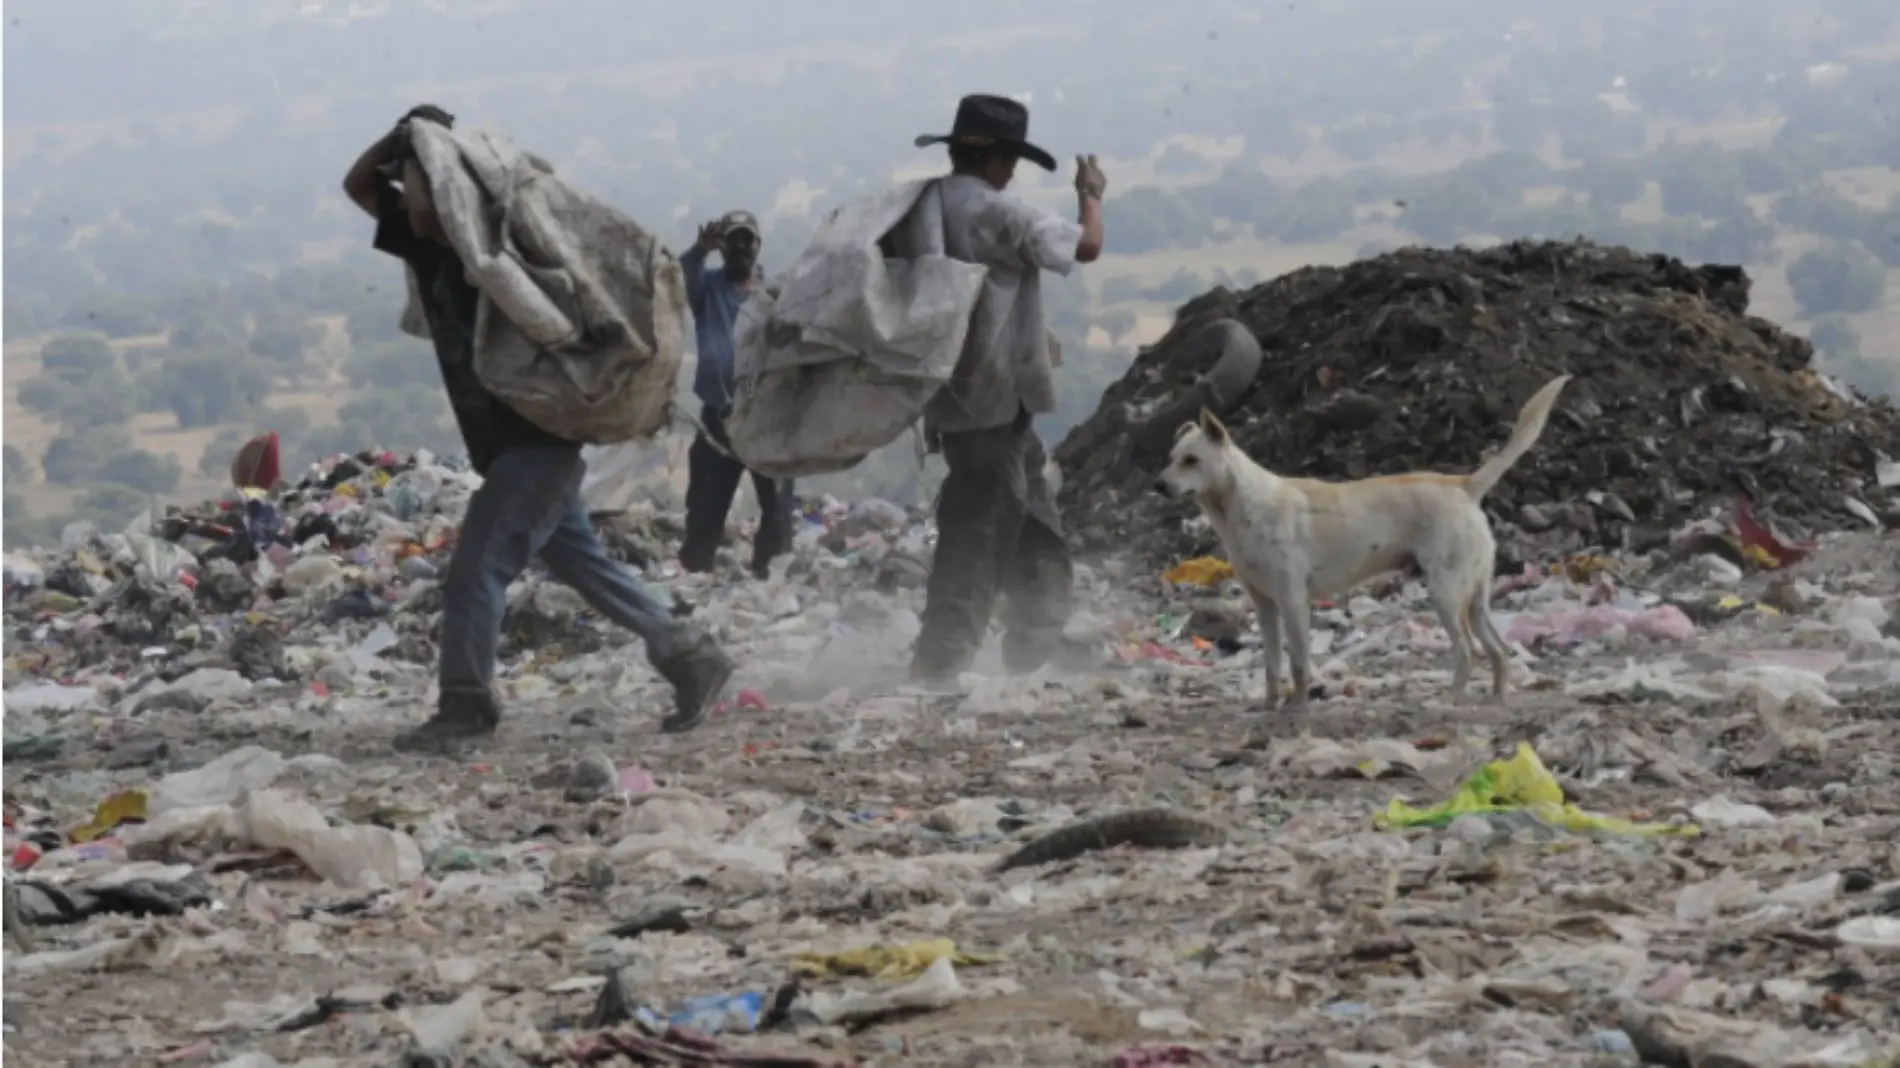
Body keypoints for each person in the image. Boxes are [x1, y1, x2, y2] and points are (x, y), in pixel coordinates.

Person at [341, 105, 736, 751]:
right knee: (586, 566)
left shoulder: (498, 263)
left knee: (475, 572)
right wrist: (404, 135)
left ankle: (466, 706)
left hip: (538, 447)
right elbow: (358, 187)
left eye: (416, 186)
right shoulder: (427, 248)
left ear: (448, 195)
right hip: (506, 453)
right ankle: (692, 654)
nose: (407, 198)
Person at [908, 94, 1107, 683]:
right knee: (976, 536)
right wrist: (1091, 193)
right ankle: (938, 670)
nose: (1013, 171)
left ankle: (1036, 646)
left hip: (960, 397)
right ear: (997, 158)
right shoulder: (997, 213)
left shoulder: (922, 206)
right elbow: (1086, 245)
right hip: (992, 397)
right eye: (1011, 158)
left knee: (1036, 524)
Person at [678, 210, 796, 579]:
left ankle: (769, 577)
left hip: (767, 415)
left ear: (759, 247)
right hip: (719, 416)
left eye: (748, 240)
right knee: (705, 506)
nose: (741, 247)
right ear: (723, 247)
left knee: (777, 506)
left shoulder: (775, 293)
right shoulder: (708, 288)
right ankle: (695, 578)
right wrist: (699, 250)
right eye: (733, 240)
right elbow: (679, 279)